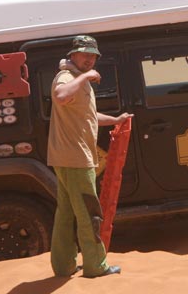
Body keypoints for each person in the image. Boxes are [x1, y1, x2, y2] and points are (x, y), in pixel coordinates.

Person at [48, 35, 132, 278]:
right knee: (88, 213)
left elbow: (88, 115)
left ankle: (63, 265)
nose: (90, 59)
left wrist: (115, 120)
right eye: (85, 54)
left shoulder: (77, 79)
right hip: (75, 158)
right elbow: (60, 96)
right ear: (73, 55)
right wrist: (86, 77)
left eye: (93, 56)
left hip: (67, 158)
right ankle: (96, 265)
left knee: (66, 213)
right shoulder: (67, 77)